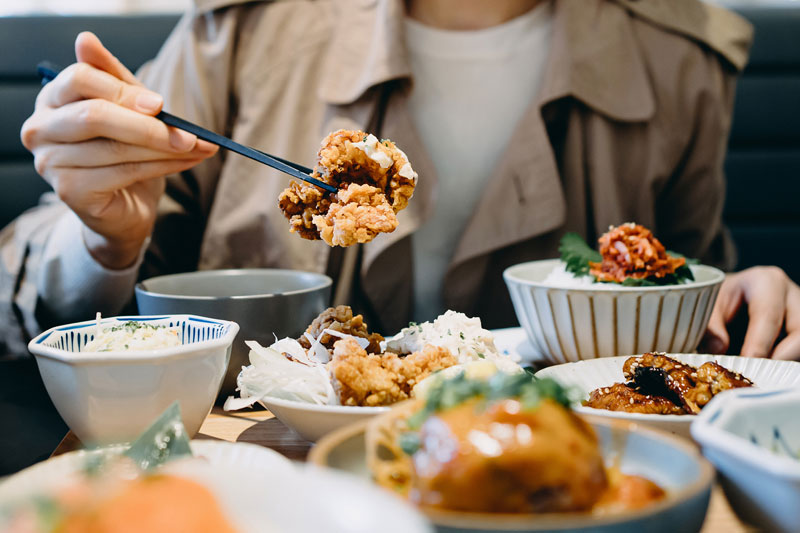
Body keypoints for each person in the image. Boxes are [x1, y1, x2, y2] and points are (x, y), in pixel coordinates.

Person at [4, 0, 799, 361]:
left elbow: (686, 311)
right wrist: (103, 240)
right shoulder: (239, 31)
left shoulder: (679, 54)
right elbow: (31, 293)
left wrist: (743, 294)